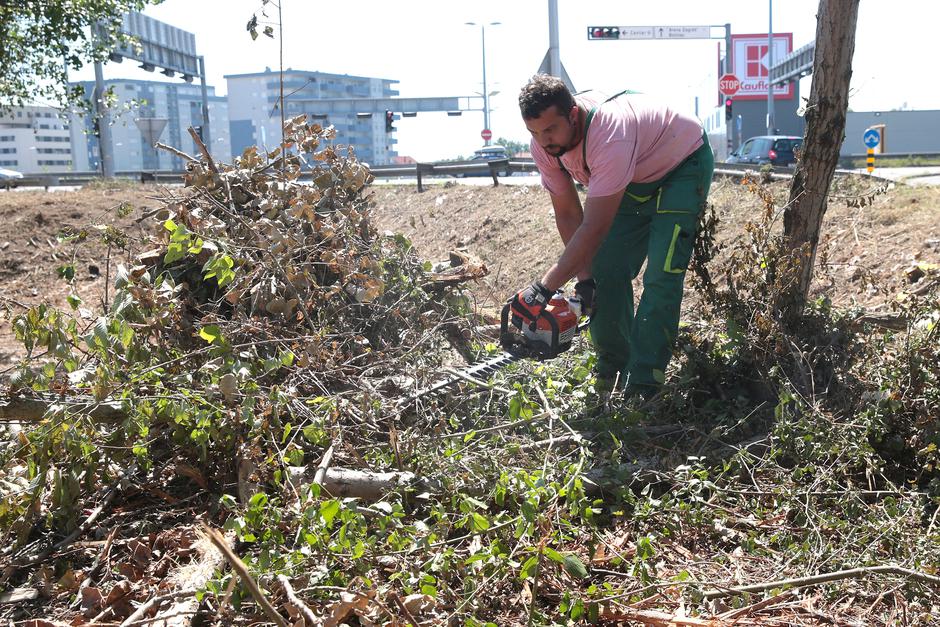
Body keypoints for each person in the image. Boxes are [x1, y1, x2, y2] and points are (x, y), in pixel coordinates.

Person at [508, 74, 714, 399]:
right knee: (604, 272)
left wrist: (543, 288)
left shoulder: (608, 134)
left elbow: (594, 227)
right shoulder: (544, 147)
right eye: (534, 132)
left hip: (681, 167)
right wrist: (585, 279)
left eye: (550, 129)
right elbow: (568, 214)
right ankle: (613, 369)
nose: (543, 140)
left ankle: (645, 383)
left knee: (661, 277)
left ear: (573, 115)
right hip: (634, 177)